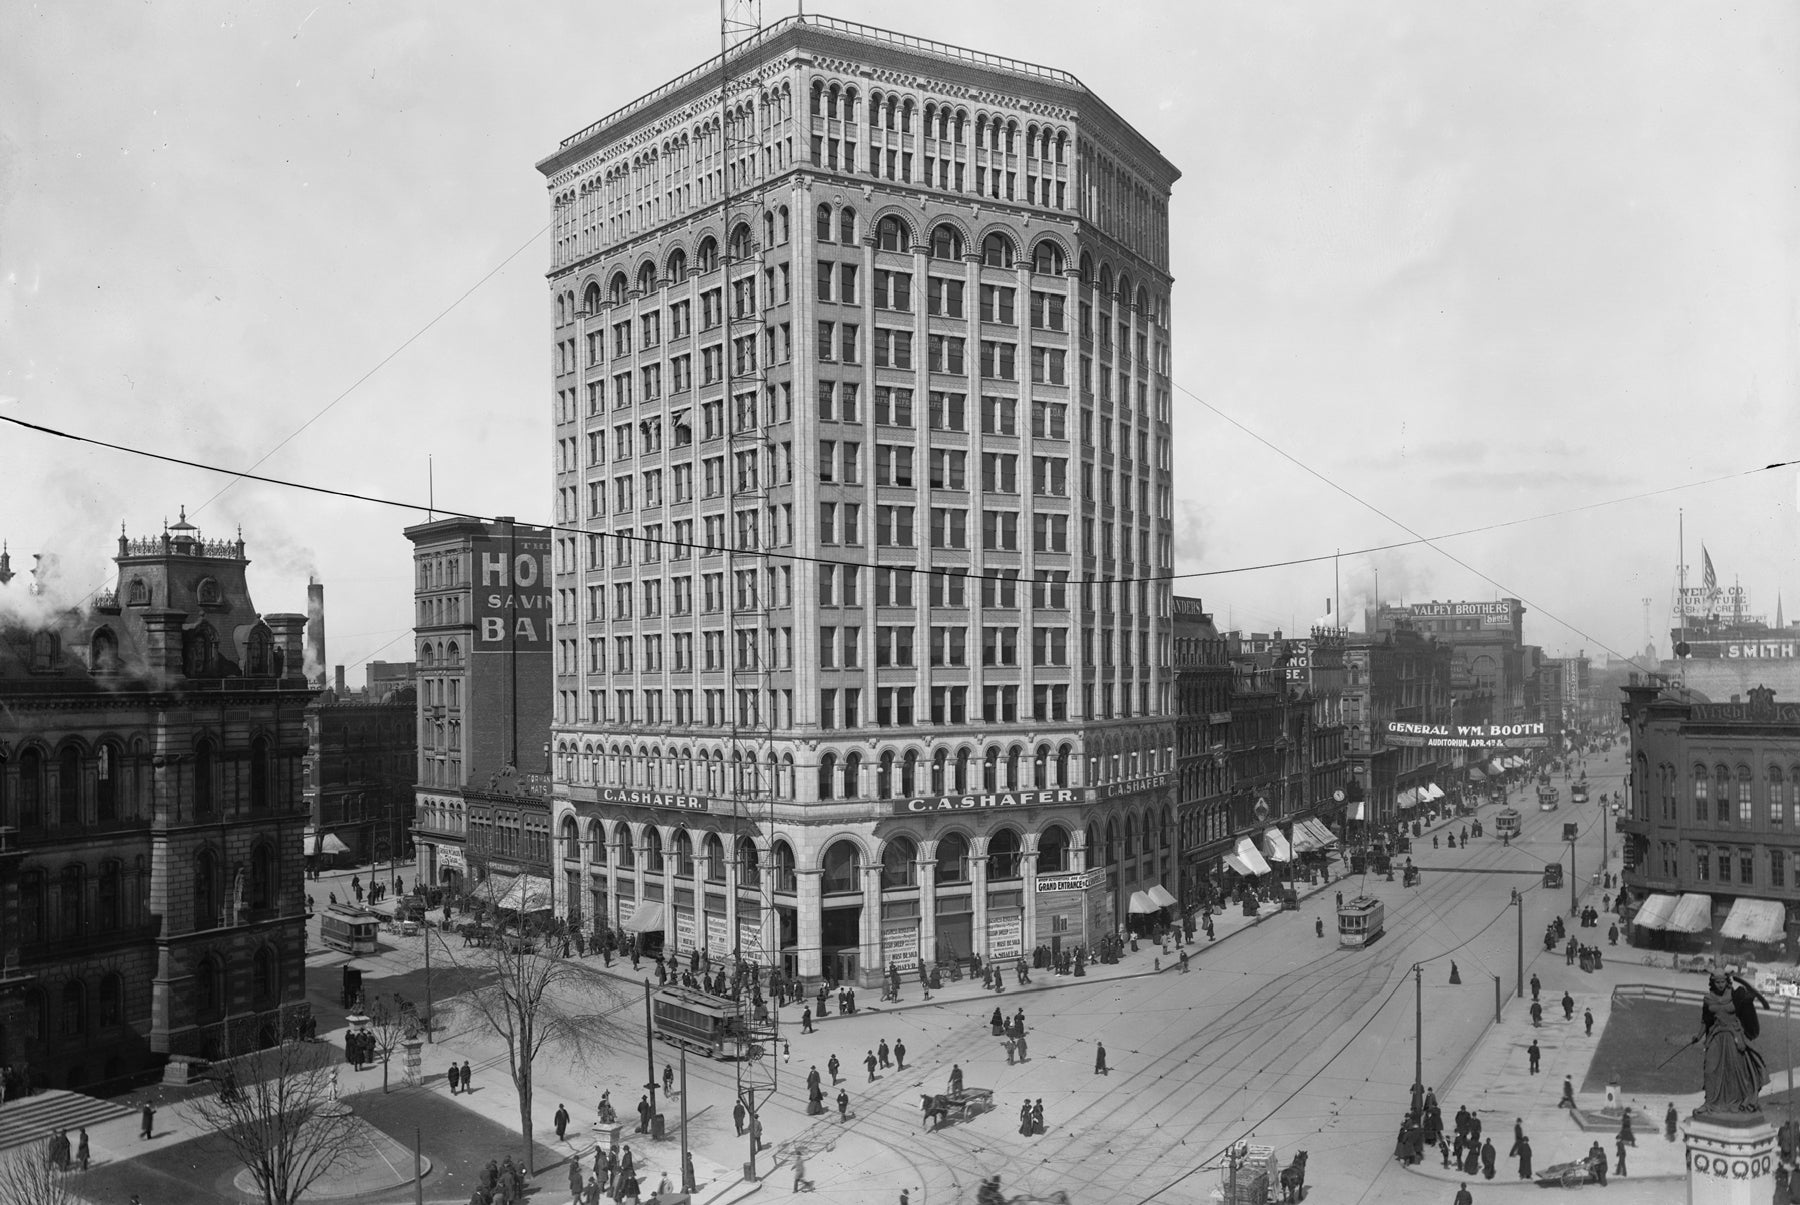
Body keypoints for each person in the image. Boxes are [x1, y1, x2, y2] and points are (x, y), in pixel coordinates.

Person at [1697, 971, 1771, 1114]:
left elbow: (1746, 1009)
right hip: (1716, 1036)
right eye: (1717, 982)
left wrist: (1750, 999)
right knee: (1710, 1070)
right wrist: (1698, 1035)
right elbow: (1705, 1020)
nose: (1720, 985)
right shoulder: (1707, 999)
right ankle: (1709, 1103)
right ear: (1712, 982)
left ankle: (1738, 1101)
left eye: (1722, 982)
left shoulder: (1735, 995)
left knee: (1735, 1071)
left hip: (1733, 1036)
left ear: (1727, 981)